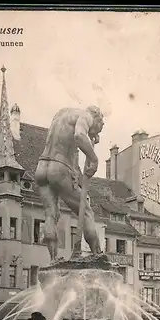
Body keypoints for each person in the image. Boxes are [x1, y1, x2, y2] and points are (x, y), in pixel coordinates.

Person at [35, 106, 105, 261]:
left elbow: (73, 145)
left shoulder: (61, 115)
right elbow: (80, 135)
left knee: (50, 215)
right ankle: (98, 255)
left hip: (42, 167)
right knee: (85, 210)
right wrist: (93, 158)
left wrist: (91, 139)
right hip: (59, 167)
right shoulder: (86, 116)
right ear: (97, 119)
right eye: (99, 128)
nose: (97, 133)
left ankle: (53, 259)